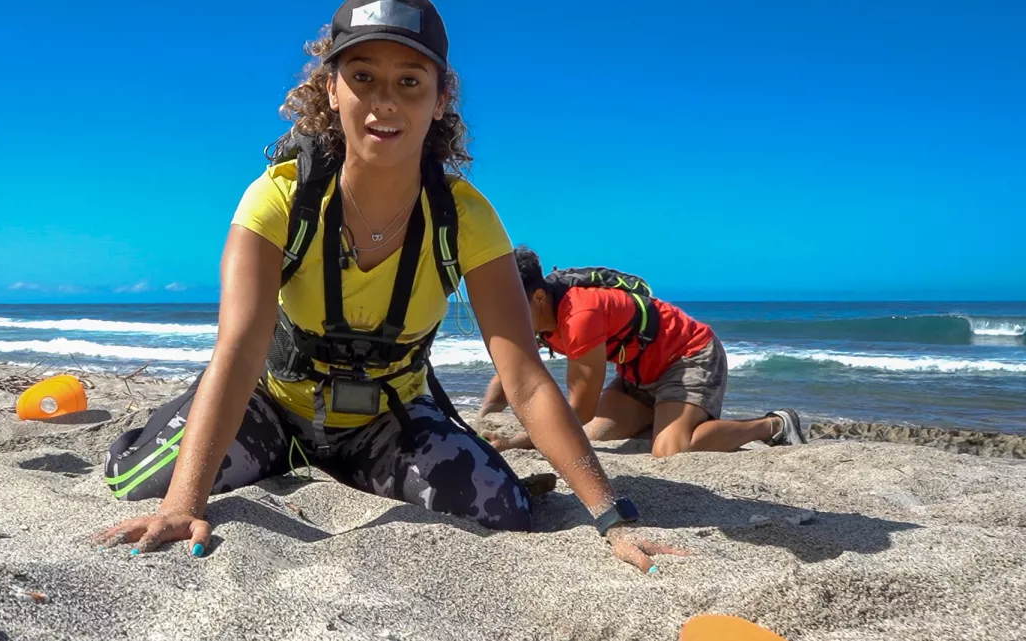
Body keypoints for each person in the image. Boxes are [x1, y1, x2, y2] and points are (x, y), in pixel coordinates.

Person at [91, 0, 684, 574]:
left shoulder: (466, 219)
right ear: (331, 88)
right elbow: (239, 351)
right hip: (272, 404)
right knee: (142, 487)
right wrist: (184, 507)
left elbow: (526, 379)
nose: (384, 103)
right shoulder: (278, 200)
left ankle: (345, 463)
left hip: (386, 420)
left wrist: (612, 518)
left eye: (409, 81)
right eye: (363, 76)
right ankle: (237, 446)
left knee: (503, 511)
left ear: (441, 96)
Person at [477, 246, 808, 457]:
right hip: (637, 372)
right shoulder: (537, 314)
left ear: (537, 297)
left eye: (511, 307)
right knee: (598, 438)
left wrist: (515, 443)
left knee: (671, 450)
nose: (507, 317)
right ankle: (663, 416)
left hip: (688, 356)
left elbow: (580, 410)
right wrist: (481, 422)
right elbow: (510, 372)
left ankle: (773, 425)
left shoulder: (579, 317)